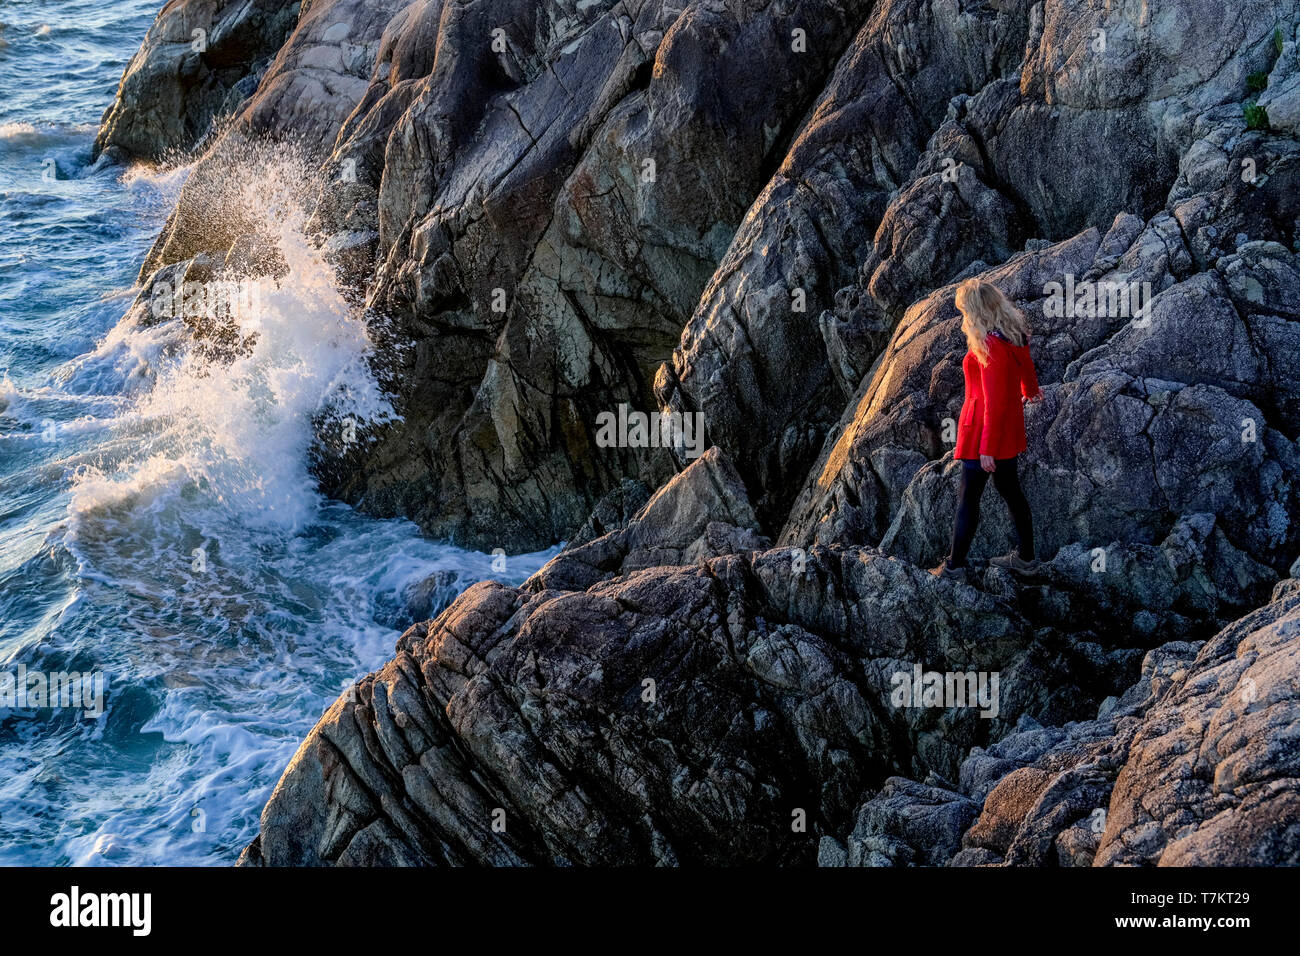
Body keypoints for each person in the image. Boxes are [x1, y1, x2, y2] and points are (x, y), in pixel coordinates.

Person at [930, 278, 1044, 579]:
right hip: (1006, 431)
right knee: (1011, 492)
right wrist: (1030, 390)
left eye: (965, 311)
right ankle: (1026, 558)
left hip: (984, 430)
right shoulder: (1011, 334)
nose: (963, 317)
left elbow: (992, 402)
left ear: (976, 312)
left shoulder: (989, 345)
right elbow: (1026, 370)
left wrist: (986, 450)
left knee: (968, 498)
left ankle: (953, 566)